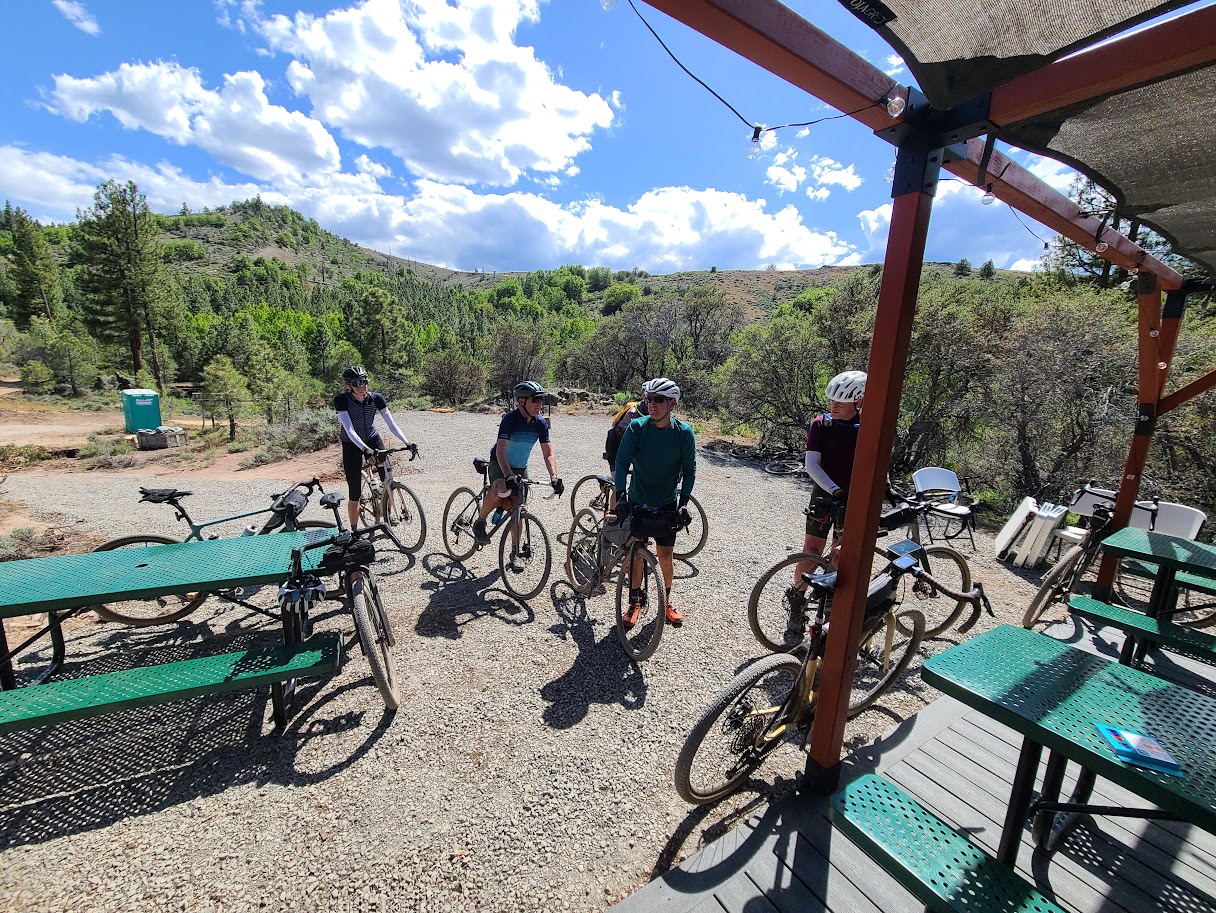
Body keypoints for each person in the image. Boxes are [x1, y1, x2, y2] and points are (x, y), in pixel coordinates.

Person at [613, 377, 697, 626]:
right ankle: (634, 602)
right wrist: (621, 496)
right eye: (649, 399)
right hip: (639, 499)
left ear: (672, 404)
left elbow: (689, 470)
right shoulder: (637, 428)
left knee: (666, 555)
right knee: (637, 555)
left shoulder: (684, 433)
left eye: (658, 400)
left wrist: (684, 502)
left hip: (667, 502)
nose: (652, 404)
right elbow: (621, 463)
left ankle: (666, 600)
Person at [787, 369, 866, 612]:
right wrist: (834, 490)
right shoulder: (822, 424)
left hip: (852, 497)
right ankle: (797, 601)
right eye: (832, 400)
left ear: (858, 402)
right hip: (825, 493)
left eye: (841, 402)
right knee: (811, 550)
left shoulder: (866, 428)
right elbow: (812, 465)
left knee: (842, 553)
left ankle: (830, 605)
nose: (834, 405)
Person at [473, 381, 563, 547]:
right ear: (521, 401)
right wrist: (508, 476)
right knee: (500, 487)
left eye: (541, 399)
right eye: (535, 399)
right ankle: (480, 522)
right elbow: (501, 452)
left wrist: (554, 477)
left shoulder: (540, 423)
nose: (539, 404)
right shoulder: (510, 420)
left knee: (518, 508)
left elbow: (548, 453)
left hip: (521, 467)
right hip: (500, 462)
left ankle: (515, 552)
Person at [334, 366, 415, 530]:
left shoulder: (376, 398)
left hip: (371, 437)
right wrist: (365, 450)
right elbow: (349, 430)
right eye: (356, 382)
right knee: (354, 492)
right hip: (351, 443)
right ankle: (354, 531)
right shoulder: (342, 400)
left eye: (363, 381)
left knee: (387, 478)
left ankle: (387, 515)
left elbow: (391, 424)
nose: (361, 385)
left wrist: (407, 443)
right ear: (349, 385)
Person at [604, 398, 642, 472]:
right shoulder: (633, 413)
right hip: (618, 438)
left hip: (627, 438)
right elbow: (633, 434)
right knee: (615, 464)